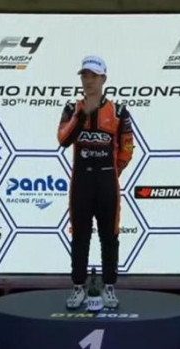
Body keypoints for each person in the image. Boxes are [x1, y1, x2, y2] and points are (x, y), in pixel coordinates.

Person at [57, 56, 135, 310]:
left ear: (103, 79)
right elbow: (63, 139)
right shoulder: (72, 108)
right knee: (80, 235)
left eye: (93, 76)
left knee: (109, 236)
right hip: (81, 181)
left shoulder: (119, 111)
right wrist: (82, 115)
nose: (88, 81)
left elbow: (127, 147)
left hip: (106, 181)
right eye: (85, 76)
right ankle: (78, 286)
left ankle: (109, 286)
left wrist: (114, 171)